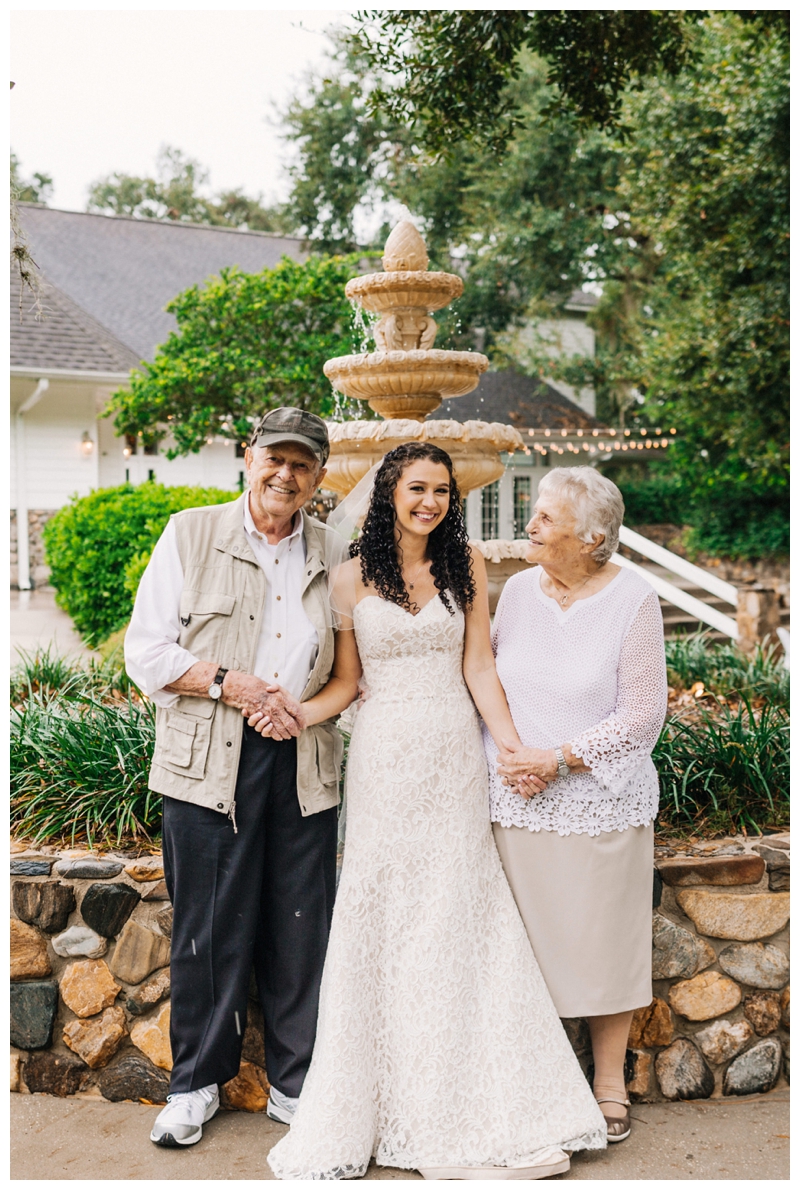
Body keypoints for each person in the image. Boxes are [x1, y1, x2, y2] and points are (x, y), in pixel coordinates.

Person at [261, 442, 606, 1180]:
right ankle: (387, 1112)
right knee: (388, 922)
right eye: (418, 488)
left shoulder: (466, 566)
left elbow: (478, 666)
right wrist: (296, 712)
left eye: (443, 491)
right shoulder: (351, 579)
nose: (432, 502)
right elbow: (349, 685)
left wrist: (512, 749)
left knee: (460, 919)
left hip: (452, 757)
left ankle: (487, 1109)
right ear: (390, 493)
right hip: (385, 764)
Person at [124, 407, 349, 1147]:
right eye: (274, 458)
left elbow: (352, 659)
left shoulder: (334, 548)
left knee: (299, 925)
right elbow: (146, 655)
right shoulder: (192, 532)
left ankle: (295, 1083)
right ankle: (193, 1085)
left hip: (304, 758)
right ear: (247, 457)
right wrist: (234, 683)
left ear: (319, 475)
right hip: (209, 762)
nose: (286, 474)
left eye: (303, 463)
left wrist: (300, 712)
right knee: (208, 928)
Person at [487, 466, 668, 1144]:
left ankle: (609, 1085)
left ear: (592, 538)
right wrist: (513, 756)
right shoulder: (518, 594)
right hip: (517, 798)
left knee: (601, 947)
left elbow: (643, 715)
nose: (529, 525)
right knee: (521, 952)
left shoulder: (634, 600)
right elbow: (491, 682)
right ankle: (534, 1087)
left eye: (544, 518)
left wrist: (559, 758)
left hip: (599, 802)